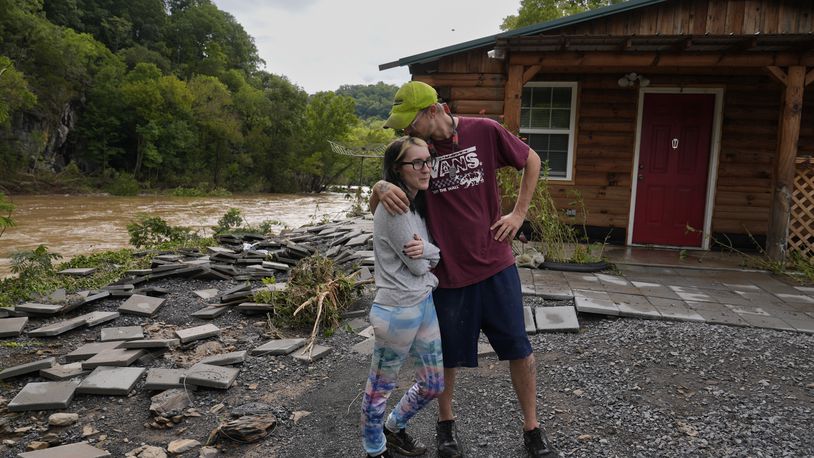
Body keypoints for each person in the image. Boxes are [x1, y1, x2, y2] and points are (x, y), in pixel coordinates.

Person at [370, 81, 558, 458]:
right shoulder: (418, 154)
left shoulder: (483, 131)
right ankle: (446, 428)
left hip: (496, 265)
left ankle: (533, 430)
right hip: (448, 274)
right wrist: (377, 187)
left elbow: (531, 159)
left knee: (520, 349)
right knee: (449, 357)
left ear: (433, 111)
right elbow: (388, 181)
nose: (407, 130)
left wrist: (519, 213)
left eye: (411, 122)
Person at [361, 136, 445, 458]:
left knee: (434, 384)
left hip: (424, 303)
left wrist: (430, 251)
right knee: (379, 389)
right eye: (417, 163)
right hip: (396, 309)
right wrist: (431, 254)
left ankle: (393, 428)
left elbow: (428, 257)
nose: (426, 169)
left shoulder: (418, 205)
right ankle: (374, 448)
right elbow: (416, 264)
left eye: (428, 160)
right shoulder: (394, 207)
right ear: (398, 168)